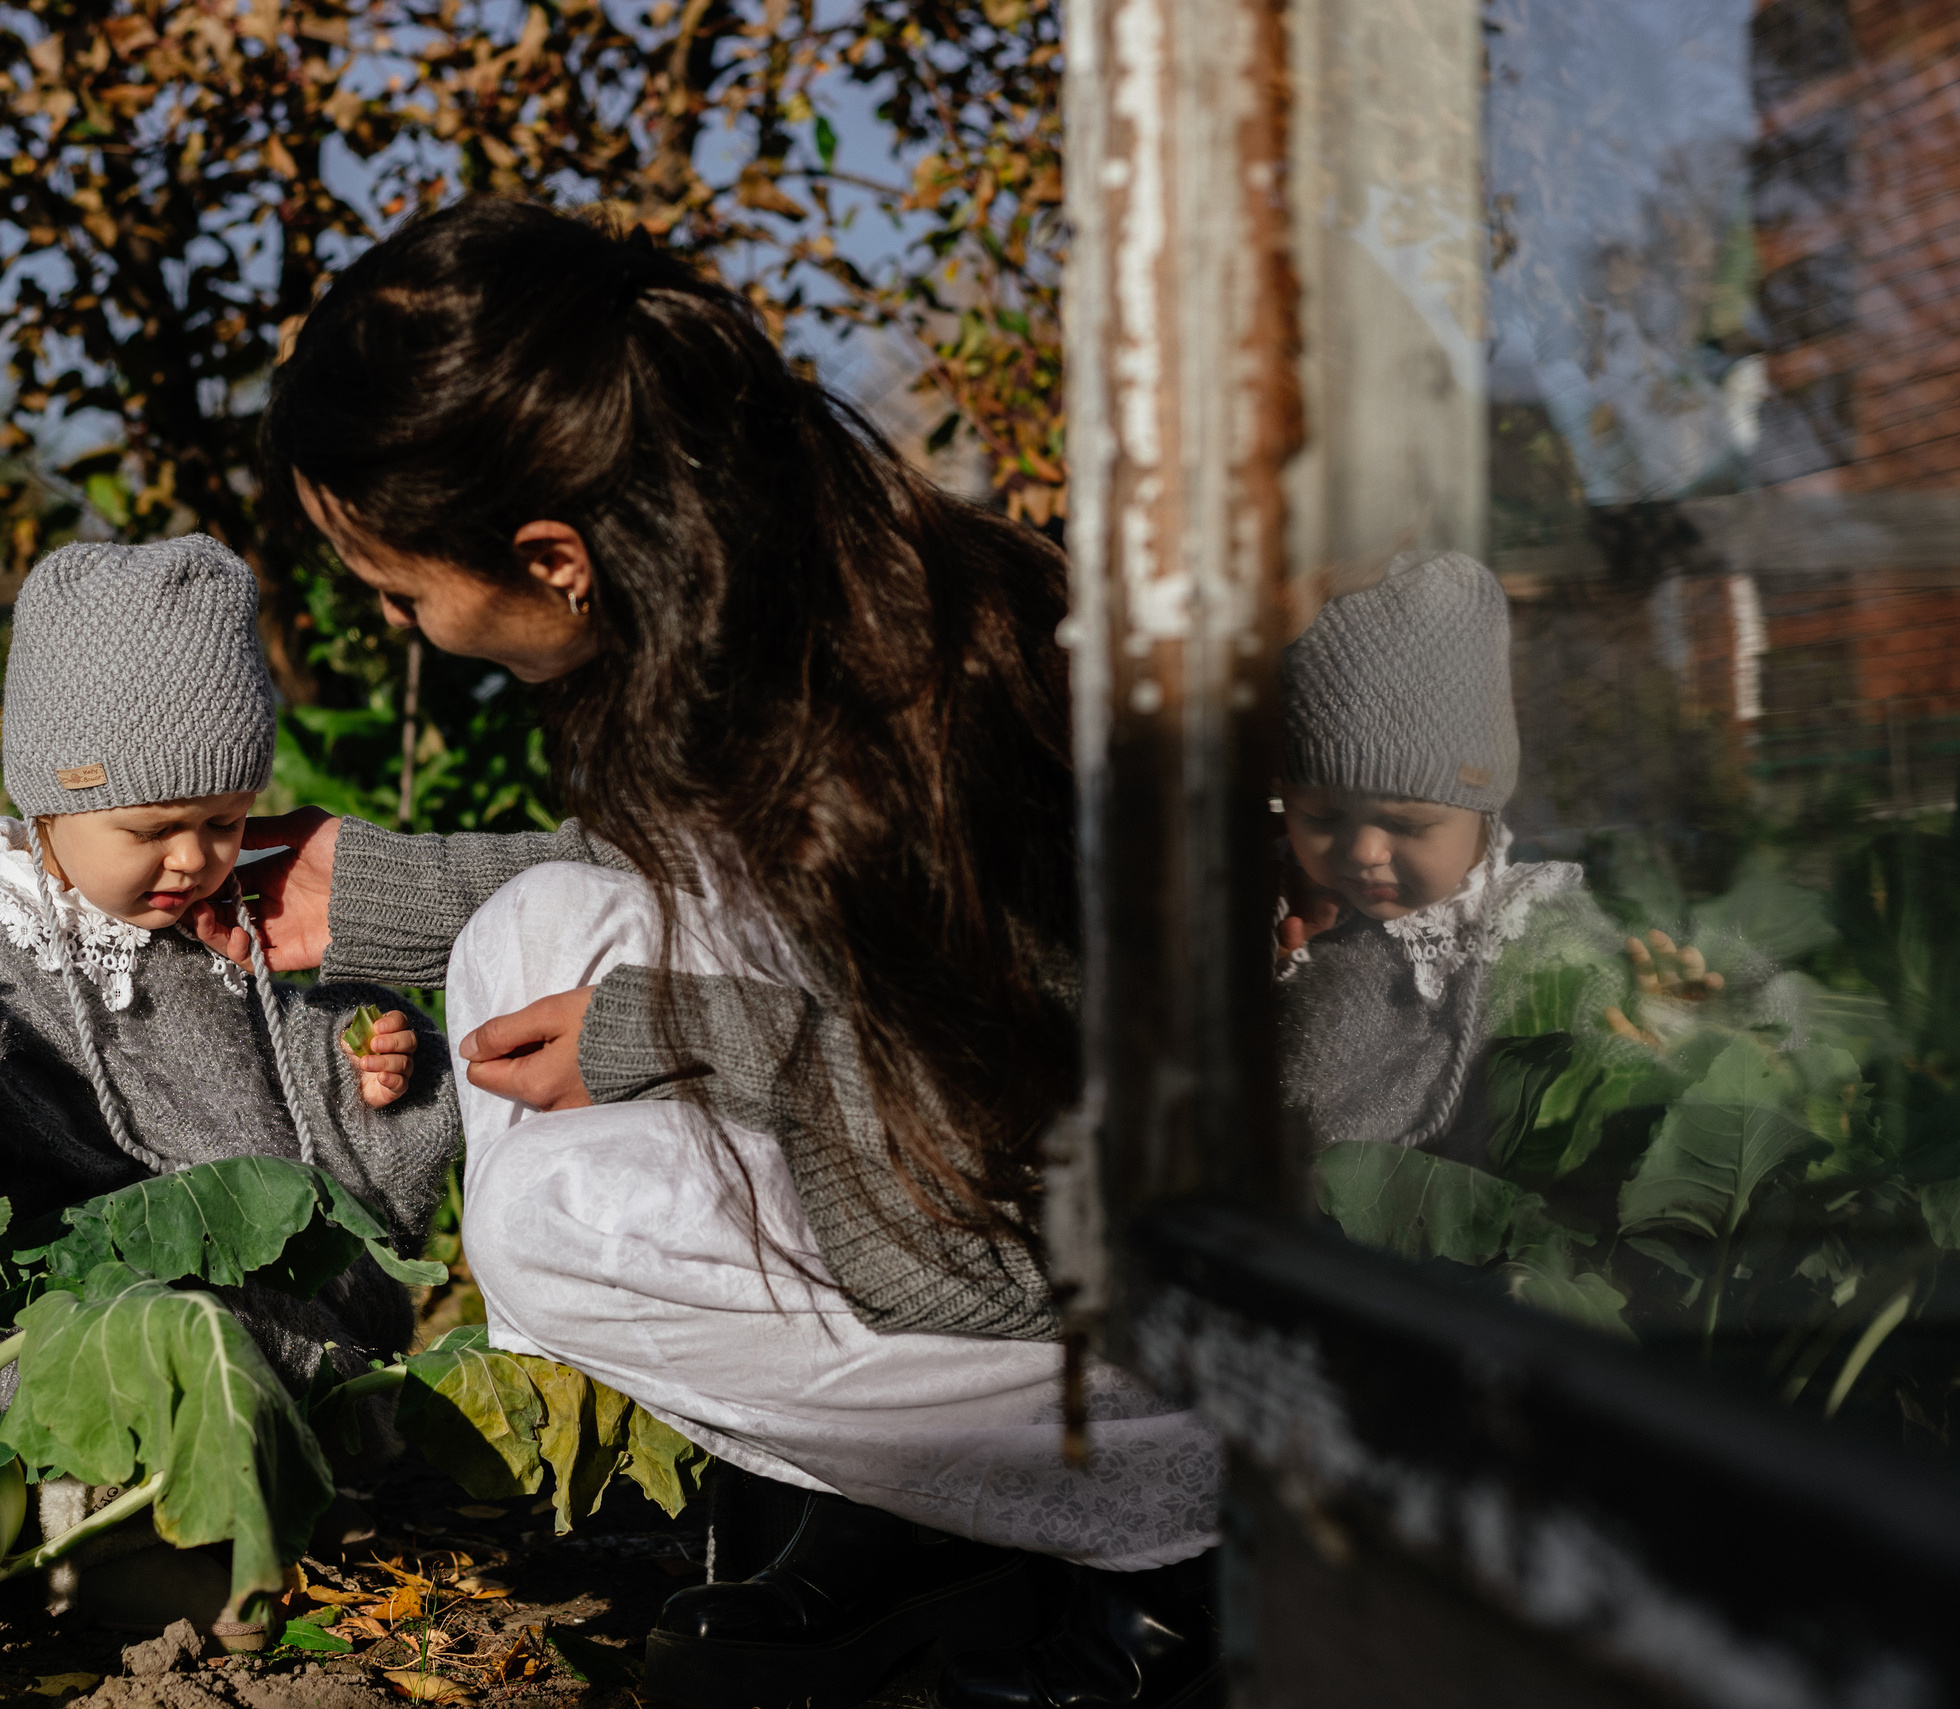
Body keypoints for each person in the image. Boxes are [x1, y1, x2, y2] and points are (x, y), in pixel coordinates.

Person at [220, 199, 1224, 1709]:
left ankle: (1115, 1536)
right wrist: (391, 892)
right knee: (530, 930)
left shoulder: (893, 741)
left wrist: (661, 1034)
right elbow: (680, 882)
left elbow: (998, 1157)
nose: (399, 625)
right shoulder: (784, 633)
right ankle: (896, 1516)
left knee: (552, 1244)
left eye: (401, 586)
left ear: (552, 556)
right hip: (955, 1207)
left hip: (1124, 1314)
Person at [0, 536, 459, 1627]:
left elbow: (345, 1145)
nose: (191, 859)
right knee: (106, 1349)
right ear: (45, 807)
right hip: (54, 1306)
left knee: (249, 1342)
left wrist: (378, 1077)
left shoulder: (256, 928)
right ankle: (110, 1539)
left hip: (262, 1300)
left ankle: (243, 1495)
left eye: (223, 821)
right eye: (150, 827)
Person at [1272, 548, 1722, 1160]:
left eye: (1409, 823)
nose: (1363, 850)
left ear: (1483, 813)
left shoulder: (1533, 926)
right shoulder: (1287, 905)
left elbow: (1590, 1054)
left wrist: (1661, 1019)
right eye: (1321, 817)